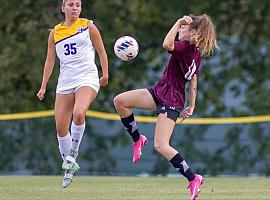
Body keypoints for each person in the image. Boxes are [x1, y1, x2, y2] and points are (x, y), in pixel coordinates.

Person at [114, 14, 217, 200]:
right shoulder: (195, 52)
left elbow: (166, 45)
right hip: (160, 92)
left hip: (171, 100)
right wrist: (192, 105)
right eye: (179, 27)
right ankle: (137, 139)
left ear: (193, 33)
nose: (179, 30)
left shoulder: (186, 48)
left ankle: (193, 178)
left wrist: (178, 21)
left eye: (182, 28)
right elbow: (193, 78)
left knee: (161, 145)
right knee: (120, 101)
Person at [37, 0, 108, 188]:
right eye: (71, 4)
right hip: (66, 81)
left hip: (87, 77)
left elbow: (101, 51)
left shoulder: (87, 26)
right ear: (63, 8)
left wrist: (106, 73)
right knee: (60, 126)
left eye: (78, 4)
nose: (75, 7)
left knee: (79, 112)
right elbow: (50, 60)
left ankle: (73, 154)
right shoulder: (55, 33)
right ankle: (70, 168)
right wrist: (43, 86)